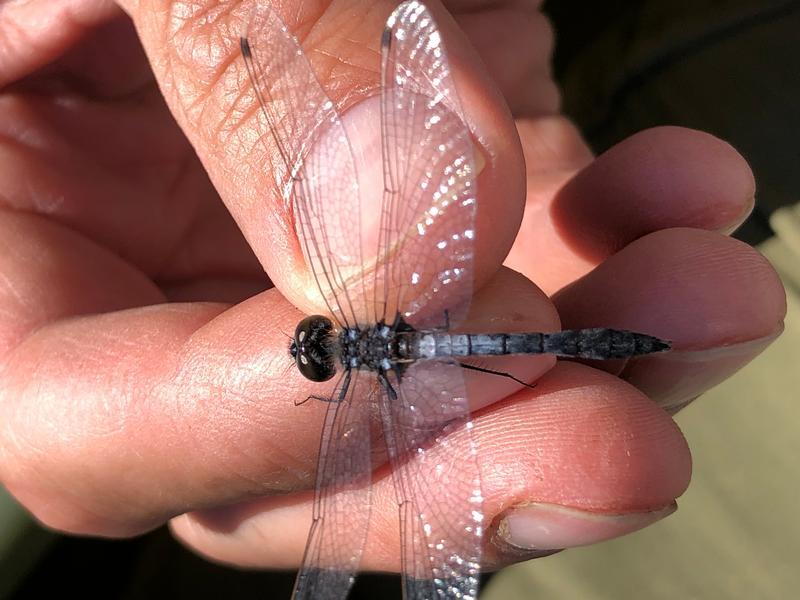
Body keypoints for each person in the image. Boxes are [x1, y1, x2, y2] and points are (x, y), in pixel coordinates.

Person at [0, 0, 786, 591]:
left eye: (312, 349)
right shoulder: (363, 308)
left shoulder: (358, 351)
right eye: (314, 353)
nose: (310, 348)